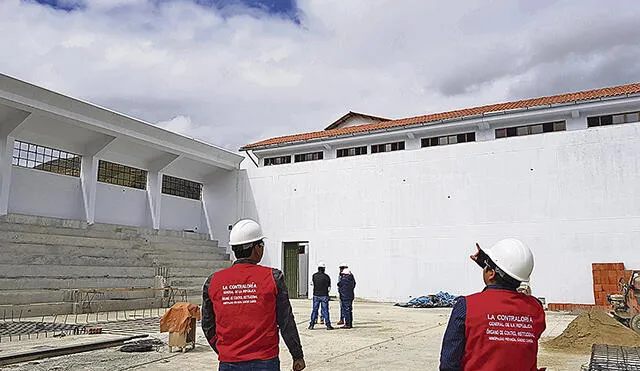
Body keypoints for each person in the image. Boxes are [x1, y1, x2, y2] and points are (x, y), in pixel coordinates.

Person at [202, 219, 306, 371]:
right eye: (261, 245)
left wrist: (224, 350)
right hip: (265, 361)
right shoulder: (273, 277)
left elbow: (207, 324)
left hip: (229, 362)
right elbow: (286, 321)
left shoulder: (213, 281)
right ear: (257, 248)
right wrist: (297, 355)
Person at [439, 238, 546, 371]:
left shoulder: (466, 306)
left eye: (486, 267)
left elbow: (449, 364)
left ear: (491, 273)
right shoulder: (536, 308)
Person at [309, 262, 334, 330]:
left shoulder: (314, 276)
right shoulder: (327, 277)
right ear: (324, 269)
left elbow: (312, 283)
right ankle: (328, 325)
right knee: (325, 311)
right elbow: (329, 288)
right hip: (324, 295)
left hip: (316, 295)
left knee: (314, 310)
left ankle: (311, 325)